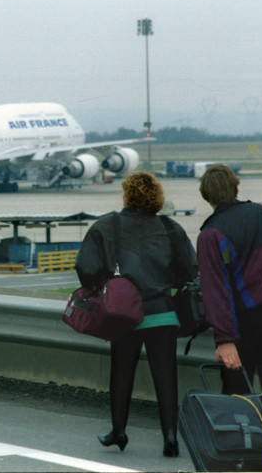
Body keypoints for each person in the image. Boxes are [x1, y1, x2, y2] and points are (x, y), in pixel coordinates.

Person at [75, 171, 196, 457]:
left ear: (127, 194)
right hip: (164, 313)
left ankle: (118, 432)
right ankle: (170, 437)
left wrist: (104, 286)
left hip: (123, 315)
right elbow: (190, 269)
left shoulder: (107, 226)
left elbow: (86, 267)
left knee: (122, 371)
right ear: (157, 196)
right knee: (165, 374)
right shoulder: (170, 227)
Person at [197, 164, 262, 394]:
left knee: (237, 393)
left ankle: (244, 431)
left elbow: (215, 291)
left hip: (243, 322)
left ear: (206, 196)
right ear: (236, 189)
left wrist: (224, 339)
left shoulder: (210, 234)